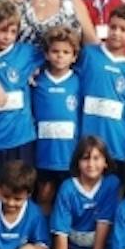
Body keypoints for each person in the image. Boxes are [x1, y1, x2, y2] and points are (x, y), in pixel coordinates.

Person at [76, 3, 125, 187]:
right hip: (86, 141)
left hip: (118, 146)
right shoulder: (89, 54)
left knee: (115, 196)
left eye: (123, 29)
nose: (116, 33)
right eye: (113, 27)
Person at [49, 135, 121, 249]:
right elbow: (61, 232)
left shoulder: (111, 184)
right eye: (85, 158)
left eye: (97, 158)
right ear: (77, 162)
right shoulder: (67, 187)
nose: (91, 164)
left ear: (105, 162)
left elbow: (104, 223)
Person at [0, 0, 41, 189]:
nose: (8, 36)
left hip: (21, 136)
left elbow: (58, 53)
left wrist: (38, 70)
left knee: (22, 187)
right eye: (2, 30)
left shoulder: (27, 53)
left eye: (13, 32)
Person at [30, 27, 82, 211]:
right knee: (44, 196)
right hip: (44, 155)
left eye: (66, 52)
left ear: (74, 56)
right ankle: (42, 238)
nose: (60, 56)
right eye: (55, 51)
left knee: (67, 201)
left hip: (69, 156)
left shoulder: (78, 81)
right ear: (46, 54)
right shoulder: (37, 81)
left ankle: (63, 237)